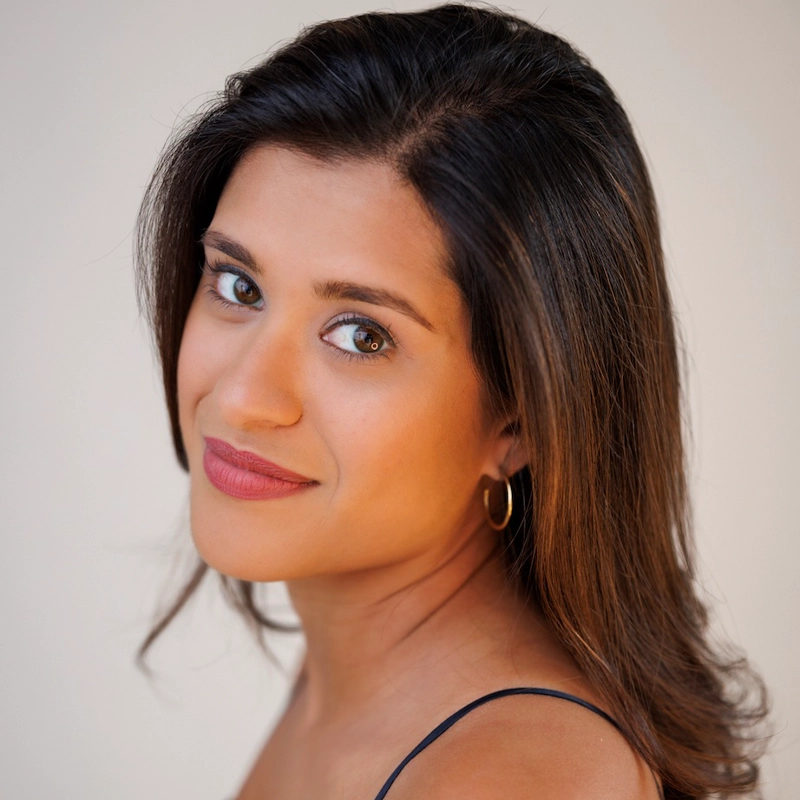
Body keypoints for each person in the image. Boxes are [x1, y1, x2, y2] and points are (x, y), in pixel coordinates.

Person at [134, 4, 769, 798]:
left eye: (361, 335)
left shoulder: (507, 779)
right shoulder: (360, 674)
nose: (241, 396)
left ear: (521, 420)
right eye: (239, 285)